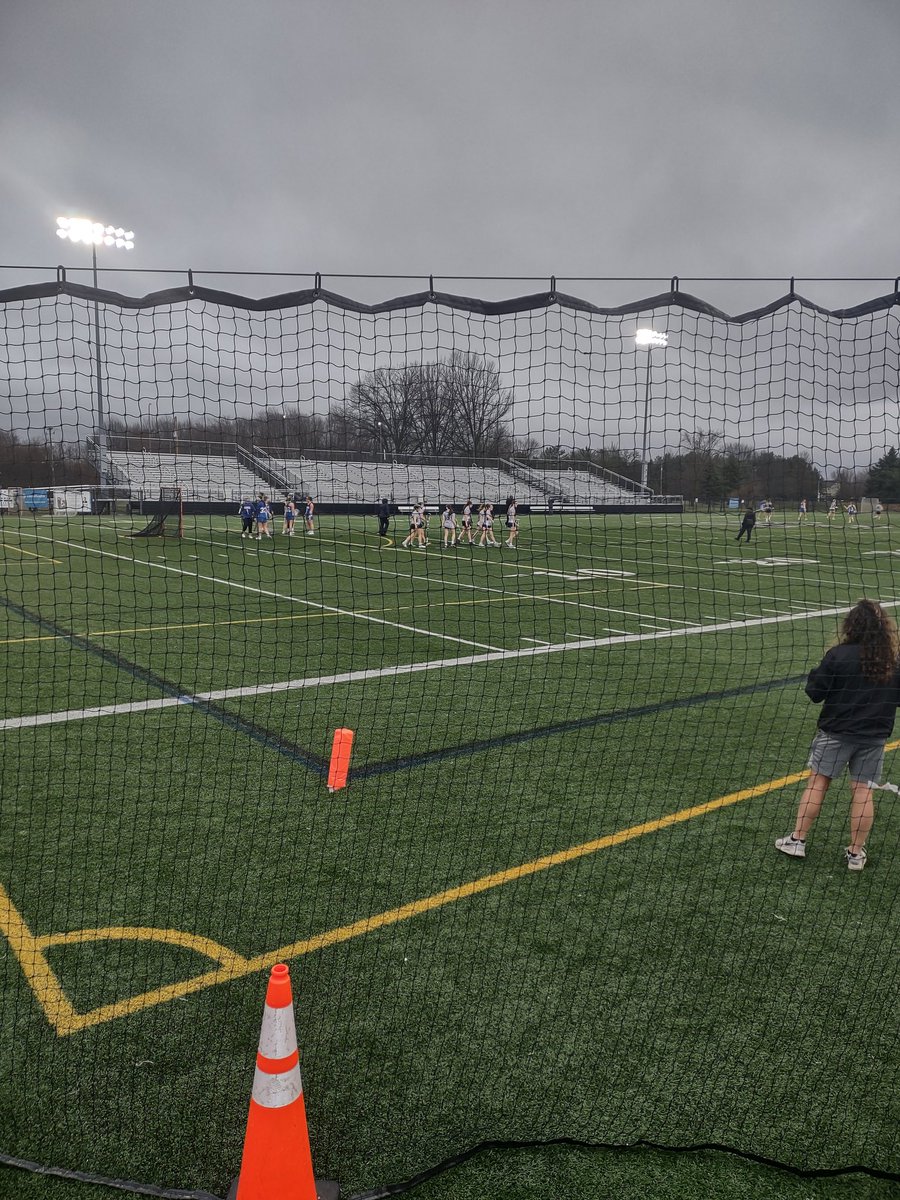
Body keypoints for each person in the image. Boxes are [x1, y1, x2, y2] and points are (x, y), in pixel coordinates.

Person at [775, 599, 900, 871]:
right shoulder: (892, 660)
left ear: (851, 625)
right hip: (874, 736)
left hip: (836, 732)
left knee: (818, 783)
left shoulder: (838, 655)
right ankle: (856, 854)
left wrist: (819, 674)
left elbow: (815, 693)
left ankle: (797, 840)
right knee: (863, 791)